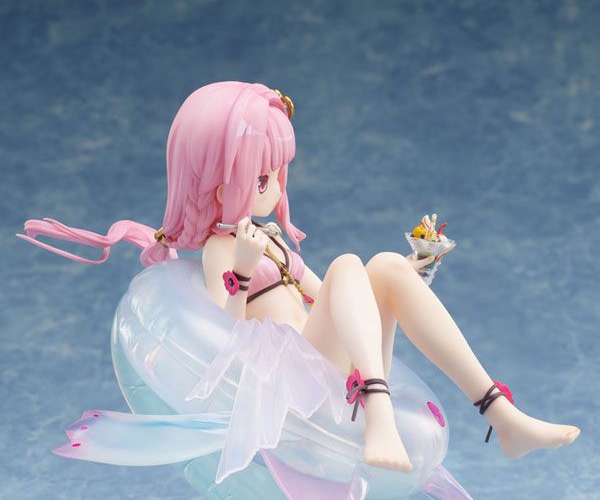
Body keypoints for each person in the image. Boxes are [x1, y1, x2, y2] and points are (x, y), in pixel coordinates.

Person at [20, 81, 580, 475]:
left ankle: (501, 414)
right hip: (298, 393)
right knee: (349, 265)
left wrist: (407, 278)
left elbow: (320, 292)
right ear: (219, 184)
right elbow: (224, 338)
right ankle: (379, 411)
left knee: (384, 265)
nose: (275, 185)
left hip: (334, 368)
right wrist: (241, 271)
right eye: (263, 176)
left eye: (277, 173)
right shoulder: (220, 250)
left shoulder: (272, 237)